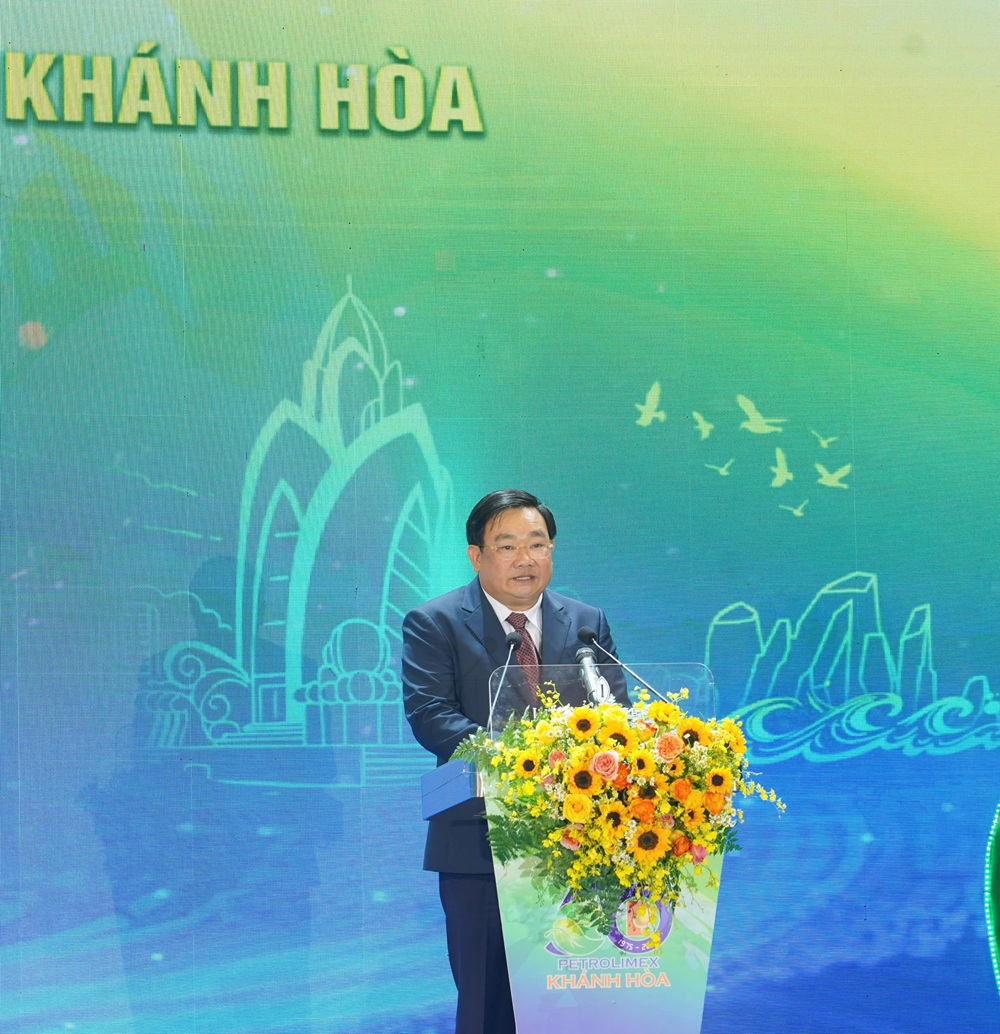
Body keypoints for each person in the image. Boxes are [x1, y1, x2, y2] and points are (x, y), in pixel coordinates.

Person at [402, 489, 628, 1034]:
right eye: (507, 546)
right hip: (480, 843)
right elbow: (431, 716)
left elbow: (615, 714)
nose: (525, 559)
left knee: (579, 1003)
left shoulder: (586, 622)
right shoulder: (435, 622)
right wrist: (529, 761)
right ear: (476, 556)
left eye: (538, 544)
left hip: (582, 843)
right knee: (489, 1007)